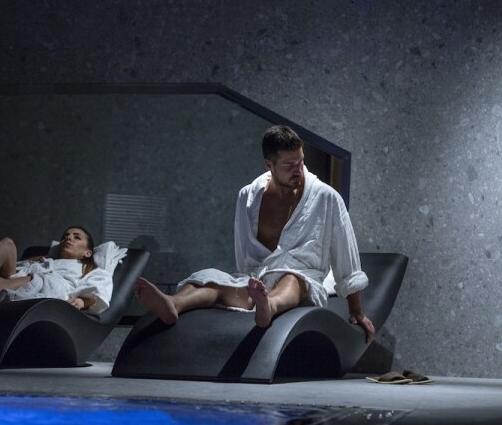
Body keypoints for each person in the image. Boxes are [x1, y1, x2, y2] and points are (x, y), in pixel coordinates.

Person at [134, 125, 376, 343]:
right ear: (269, 165)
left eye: (301, 162)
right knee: (211, 279)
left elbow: (346, 256)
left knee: (292, 278)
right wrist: (247, 287)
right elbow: (244, 256)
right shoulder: (248, 197)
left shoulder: (325, 197)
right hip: (256, 282)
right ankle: (173, 304)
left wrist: (356, 311)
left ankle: (270, 305)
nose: (298, 171)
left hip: (303, 285)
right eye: (289, 166)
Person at [0, 226, 113, 314]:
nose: (68, 238)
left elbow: (99, 292)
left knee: (0, 282)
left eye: (76, 237)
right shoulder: (43, 260)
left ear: (88, 252)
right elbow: (15, 270)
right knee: (7, 244)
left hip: (44, 285)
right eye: (66, 236)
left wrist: (81, 301)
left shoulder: (91, 270)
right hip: (18, 276)